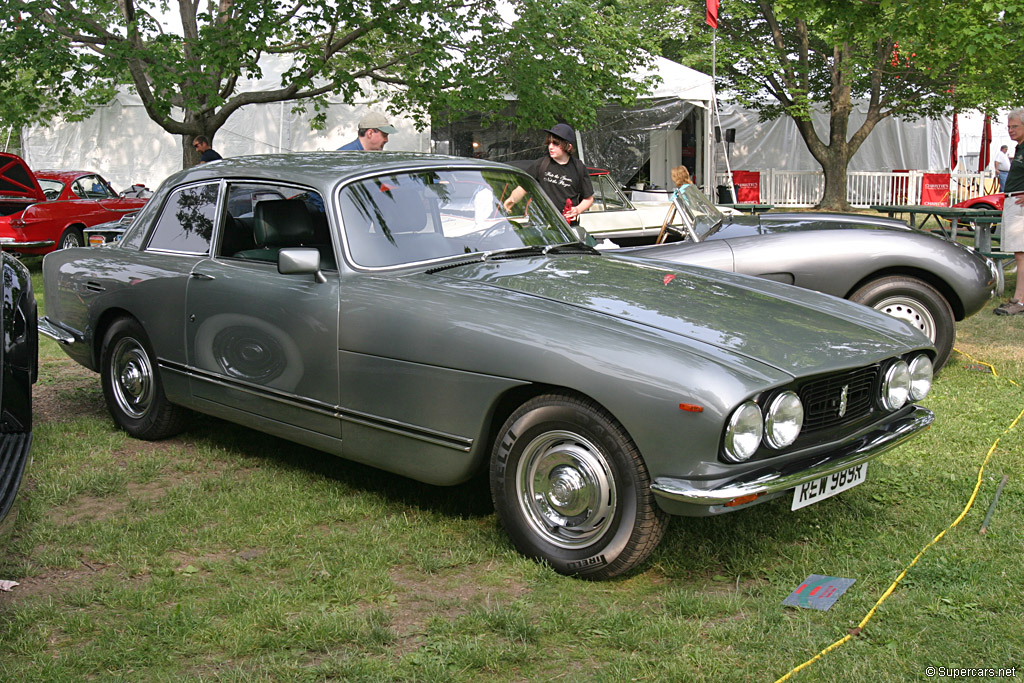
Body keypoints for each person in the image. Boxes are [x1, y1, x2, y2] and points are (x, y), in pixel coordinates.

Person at [502, 123, 594, 226]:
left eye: (555, 144)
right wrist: (511, 200)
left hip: (568, 228)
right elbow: (523, 188)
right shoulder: (541, 164)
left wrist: (577, 209)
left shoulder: (579, 168)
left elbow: (588, 198)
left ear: (568, 146)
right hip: (542, 225)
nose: (550, 147)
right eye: (549, 143)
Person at [994, 109, 1024, 315]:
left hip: (1020, 203)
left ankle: (1019, 301)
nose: (1010, 130)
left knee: (1021, 254)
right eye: (1009, 126)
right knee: (1019, 254)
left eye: (1015, 126)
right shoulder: (1019, 148)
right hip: (1013, 200)